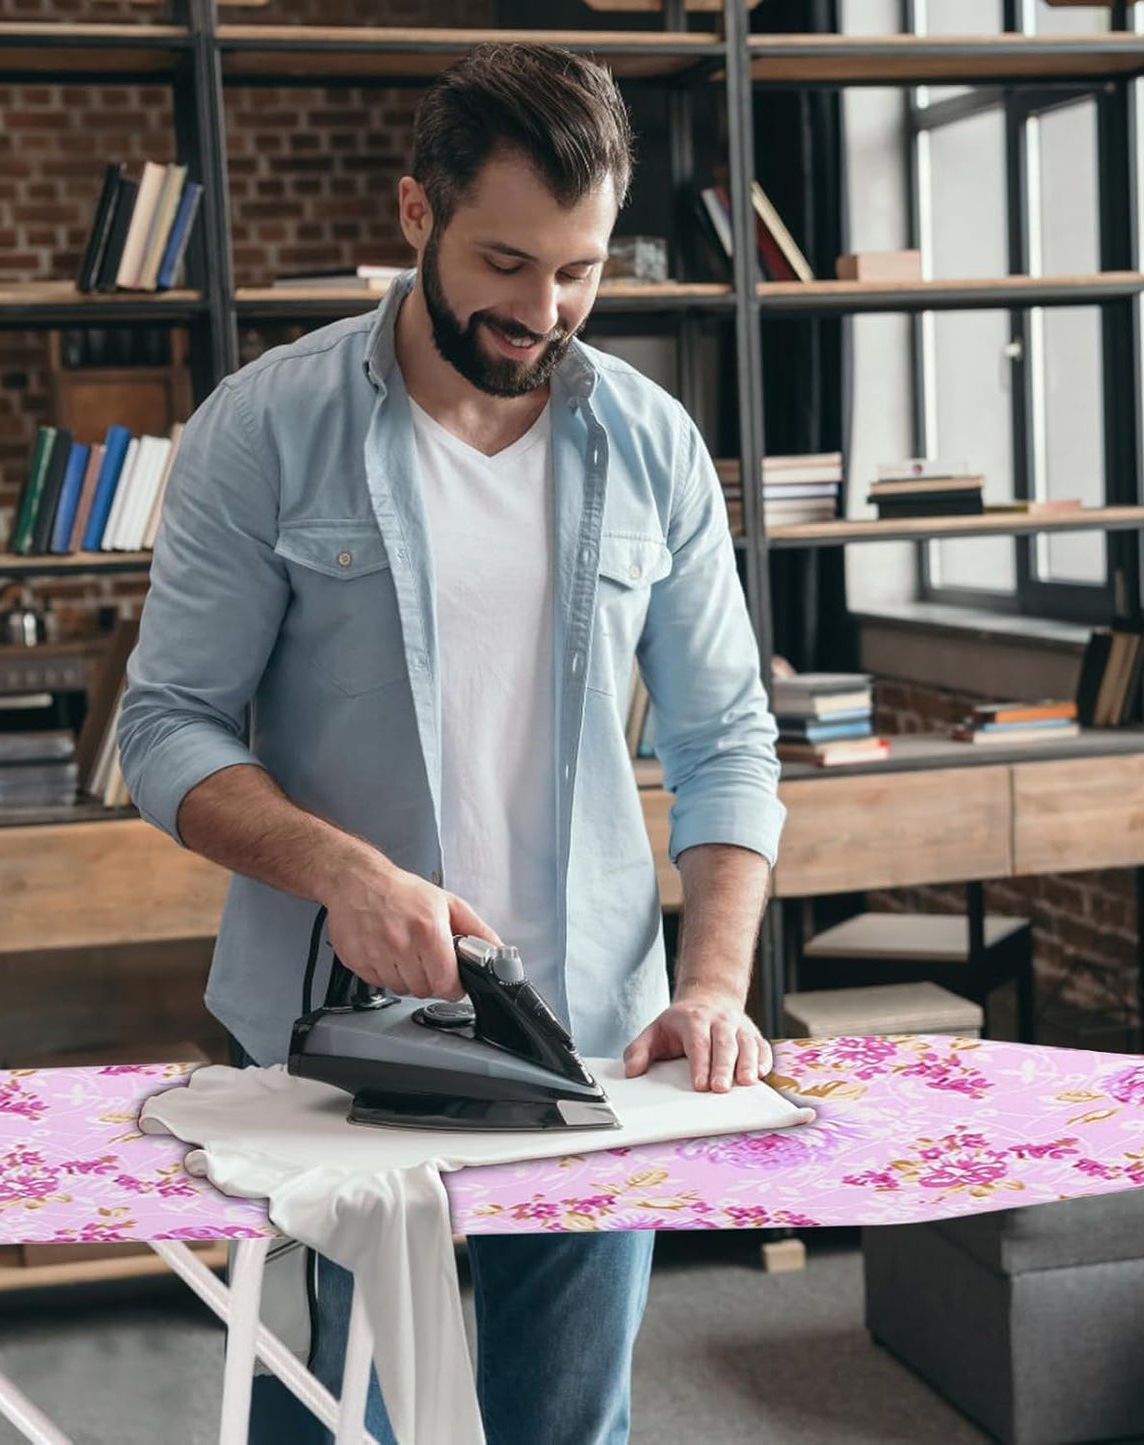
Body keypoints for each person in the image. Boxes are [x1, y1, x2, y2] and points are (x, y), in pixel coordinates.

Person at [118, 40, 784, 1445]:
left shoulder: (654, 444)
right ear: (416, 212)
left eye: (580, 271)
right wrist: (344, 873)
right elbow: (166, 723)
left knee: (567, 1430)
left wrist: (714, 986)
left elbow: (726, 736)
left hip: (593, 1046)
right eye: (505, 262)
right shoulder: (266, 427)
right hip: (330, 1055)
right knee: (327, 1425)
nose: (542, 311)